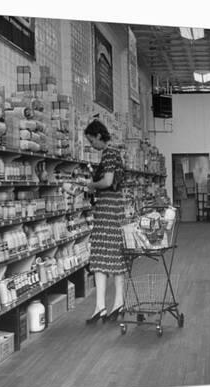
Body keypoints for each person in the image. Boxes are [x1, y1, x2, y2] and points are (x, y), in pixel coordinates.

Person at [83, 119, 127, 324]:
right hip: (110, 209)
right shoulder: (112, 154)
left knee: (107, 255)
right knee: (105, 256)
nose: (92, 145)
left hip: (108, 209)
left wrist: (91, 185)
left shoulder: (109, 154)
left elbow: (108, 182)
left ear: (99, 136)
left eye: (92, 141)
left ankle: (115, 304)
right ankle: (103, 306)